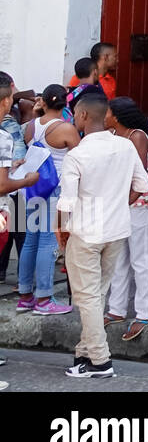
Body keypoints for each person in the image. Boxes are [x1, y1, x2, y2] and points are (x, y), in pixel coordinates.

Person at [55, 93, 148, 378]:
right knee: (96, 295)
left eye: (75, 114)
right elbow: (143, 185)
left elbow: (67, 202)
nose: (74, 119)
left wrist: (61, 229)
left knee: (87, 298)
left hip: (86, 231)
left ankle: (100, 360)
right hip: (116, 229)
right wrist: (119, 205)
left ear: (83, 117)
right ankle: (84, 354)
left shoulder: (77, 155)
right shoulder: (124, 146)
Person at [104, 98, 148, 340]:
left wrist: (122, 201)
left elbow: (138, 177)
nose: (104, 115)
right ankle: (116, 310)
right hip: (119, 202)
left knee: (141, 259)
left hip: (135, 203)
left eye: (107, 112)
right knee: (118, 259)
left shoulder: (137, 136)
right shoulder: (112, 134)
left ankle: (144, 313)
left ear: (116, 116)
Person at [17, 84, 79, 316]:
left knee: (30, 242)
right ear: (65, 103)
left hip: (33, 187)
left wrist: (36, 112)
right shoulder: (66, 128)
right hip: (56, 190)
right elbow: (79, 157)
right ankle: (44, 299)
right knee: (48, 244)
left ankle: (25, 296)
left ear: (44, 101)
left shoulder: (31, 126)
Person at [0, 71, 29, 282]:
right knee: (20, 230)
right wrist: (27, 180)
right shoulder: (5, 135)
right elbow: (2, 185)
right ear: (7, 100)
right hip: (6, 201)